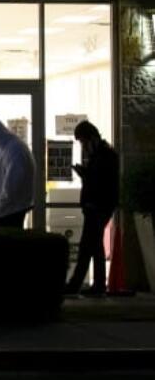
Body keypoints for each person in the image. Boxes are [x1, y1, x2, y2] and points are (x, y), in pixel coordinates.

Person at [65, 120, 119, 296]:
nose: (83, 146)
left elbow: (103, 184)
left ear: (91, 138)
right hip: (97, 207)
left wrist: (86, 176)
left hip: (98, 208)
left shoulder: (105, 156)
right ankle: (97, 286)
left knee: (87, 247)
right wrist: (86, 175)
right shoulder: (102, 154)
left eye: (83, 142)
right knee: (94, 247)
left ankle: (76, 285)